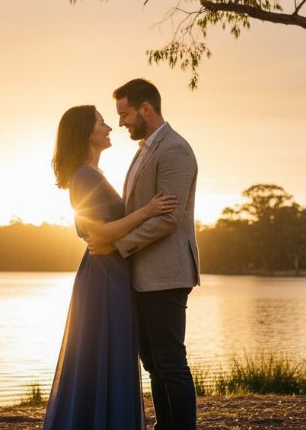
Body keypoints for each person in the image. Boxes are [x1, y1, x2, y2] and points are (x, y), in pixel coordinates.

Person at [44, 104, 178, 430]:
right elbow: (98, 232)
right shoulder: (85, 175)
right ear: (86, 132)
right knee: (107, 354)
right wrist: (147, 211)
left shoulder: (92, 174)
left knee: (108, 355)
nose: (109, 128)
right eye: (102, 122)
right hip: (104, 278)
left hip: (110, 273)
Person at [89, 78, 200, 430]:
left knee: (170, 361)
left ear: (146, 109)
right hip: (143, 275)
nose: (121, 122)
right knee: (153, 361)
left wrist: (116, 245)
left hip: (167, 274)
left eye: (125, 114)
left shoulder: (175, 150)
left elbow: (167, 218)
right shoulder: (145, 149)